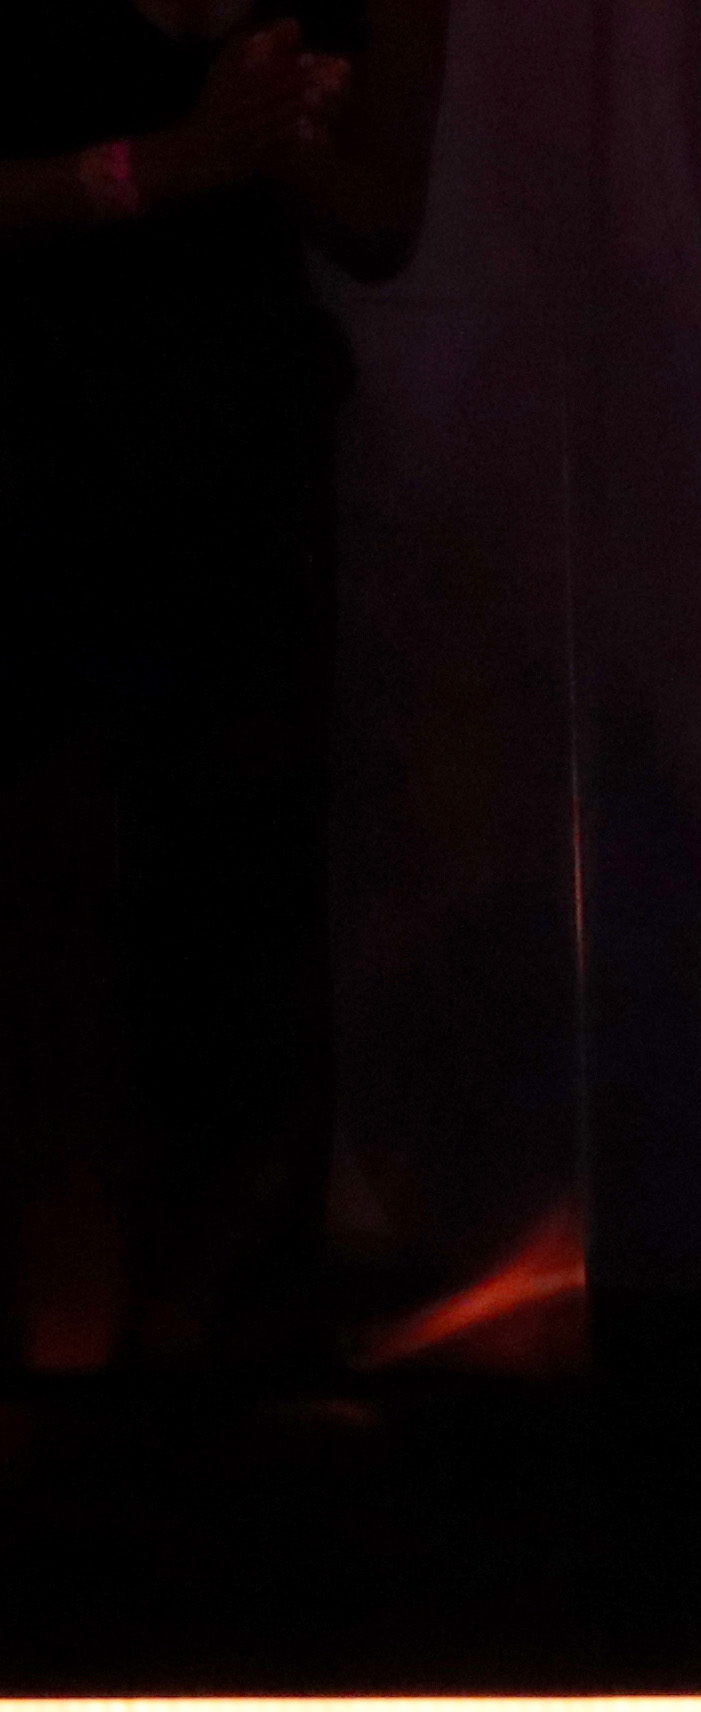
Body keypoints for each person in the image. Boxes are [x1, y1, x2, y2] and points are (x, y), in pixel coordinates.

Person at [0, 0, 450, 1372]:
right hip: (24, 436)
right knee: (38, 895)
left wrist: (258, 127)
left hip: (229, 453)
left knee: (236, 900)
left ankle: (212, 1355)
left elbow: (379, 220)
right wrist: (167, 159)